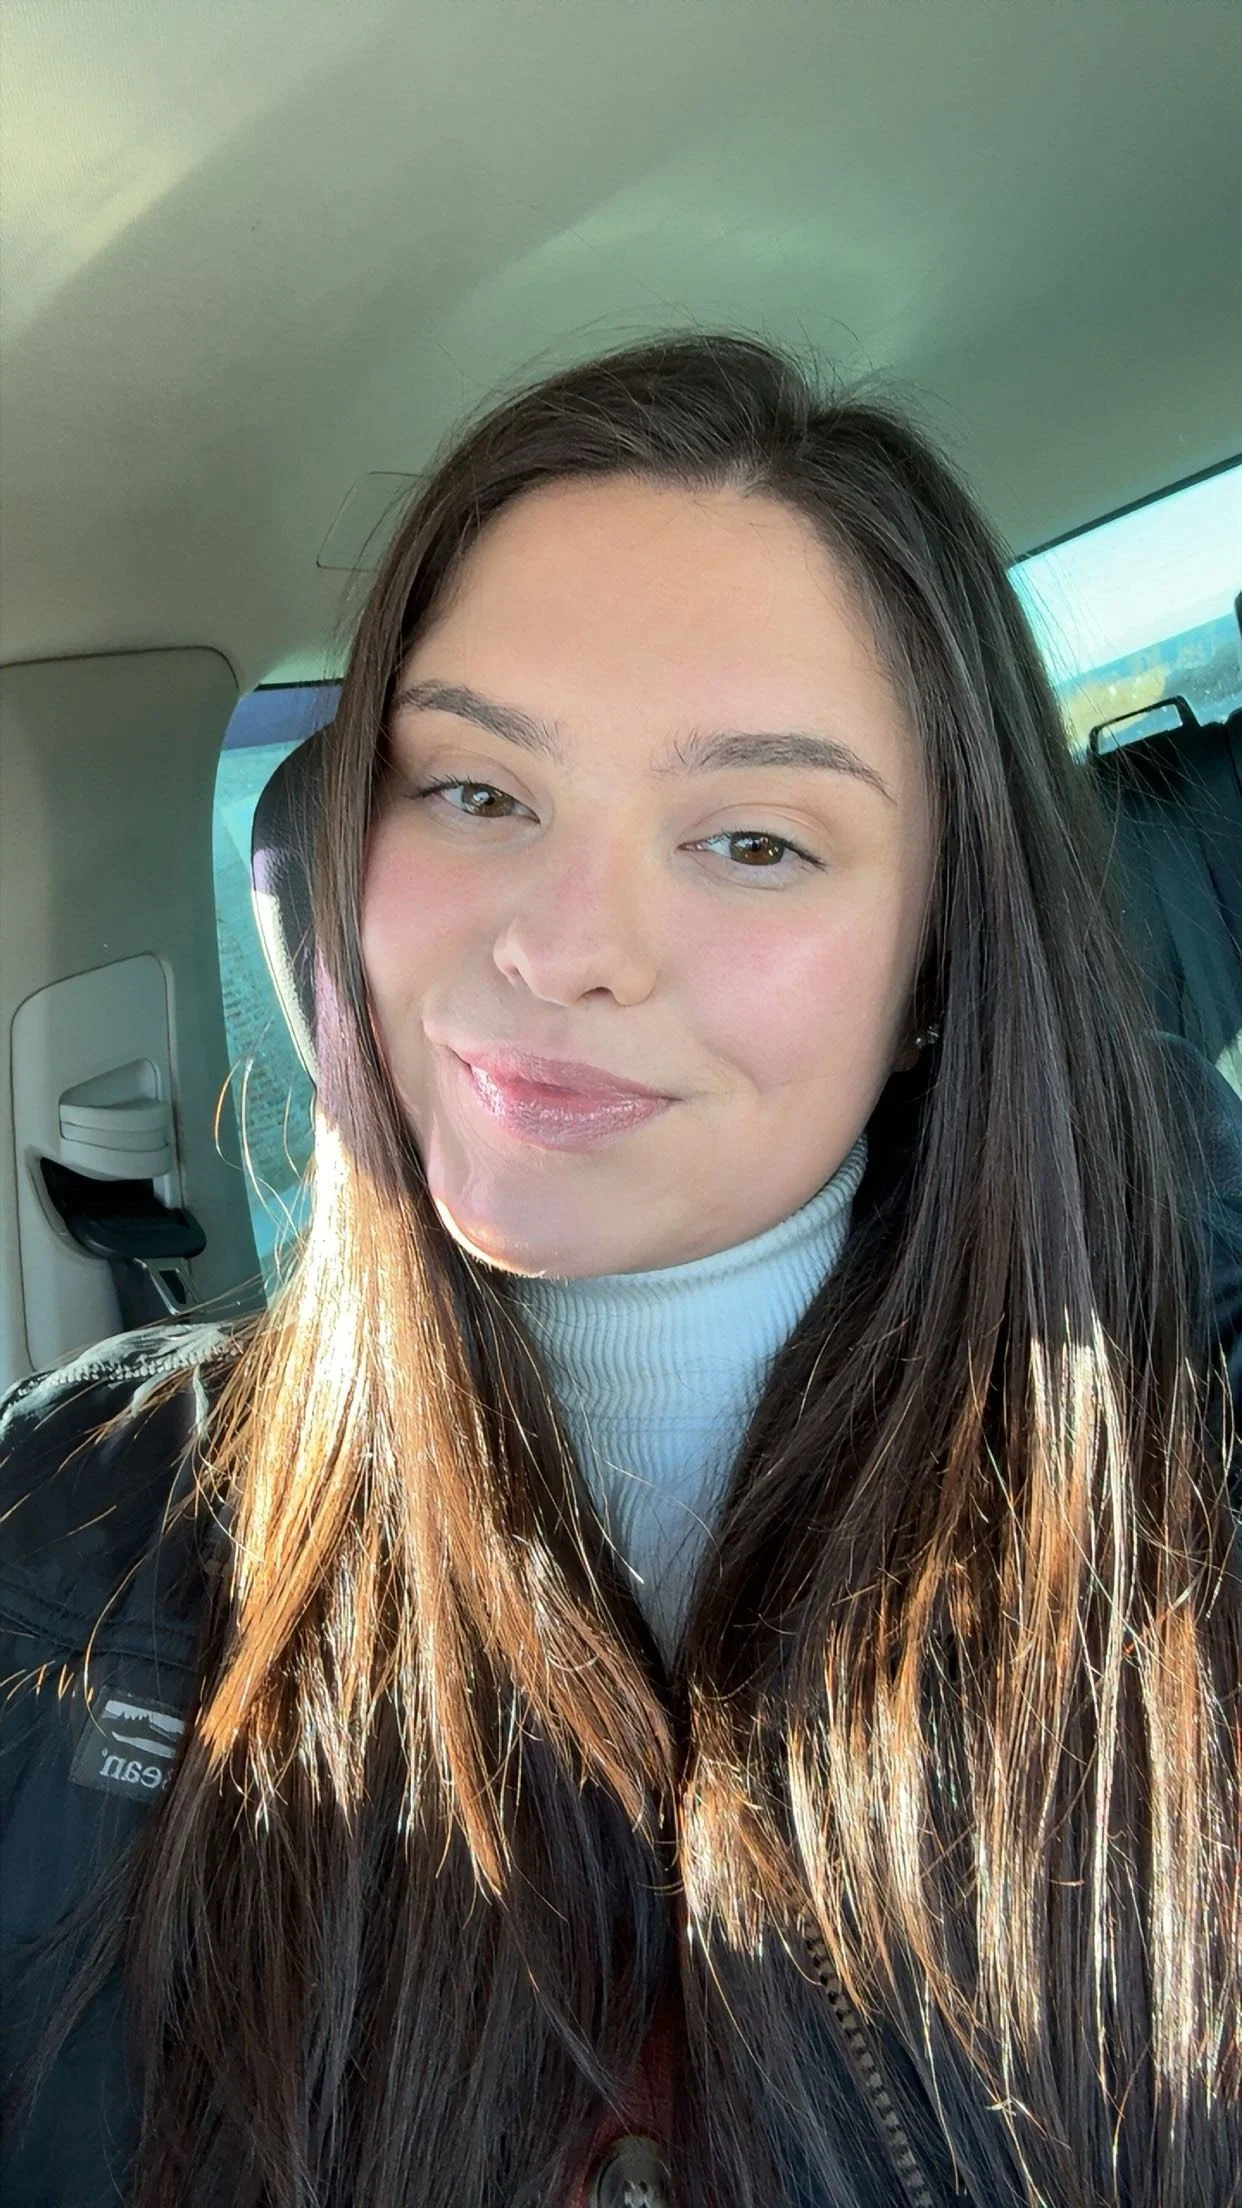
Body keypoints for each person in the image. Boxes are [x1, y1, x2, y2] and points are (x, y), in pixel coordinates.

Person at [2, 334, 1240, 2208]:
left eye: (751, 839)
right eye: (477, 791)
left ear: (939, 962)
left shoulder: (1179, 1566)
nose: (561, 946)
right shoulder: (62, 1528)